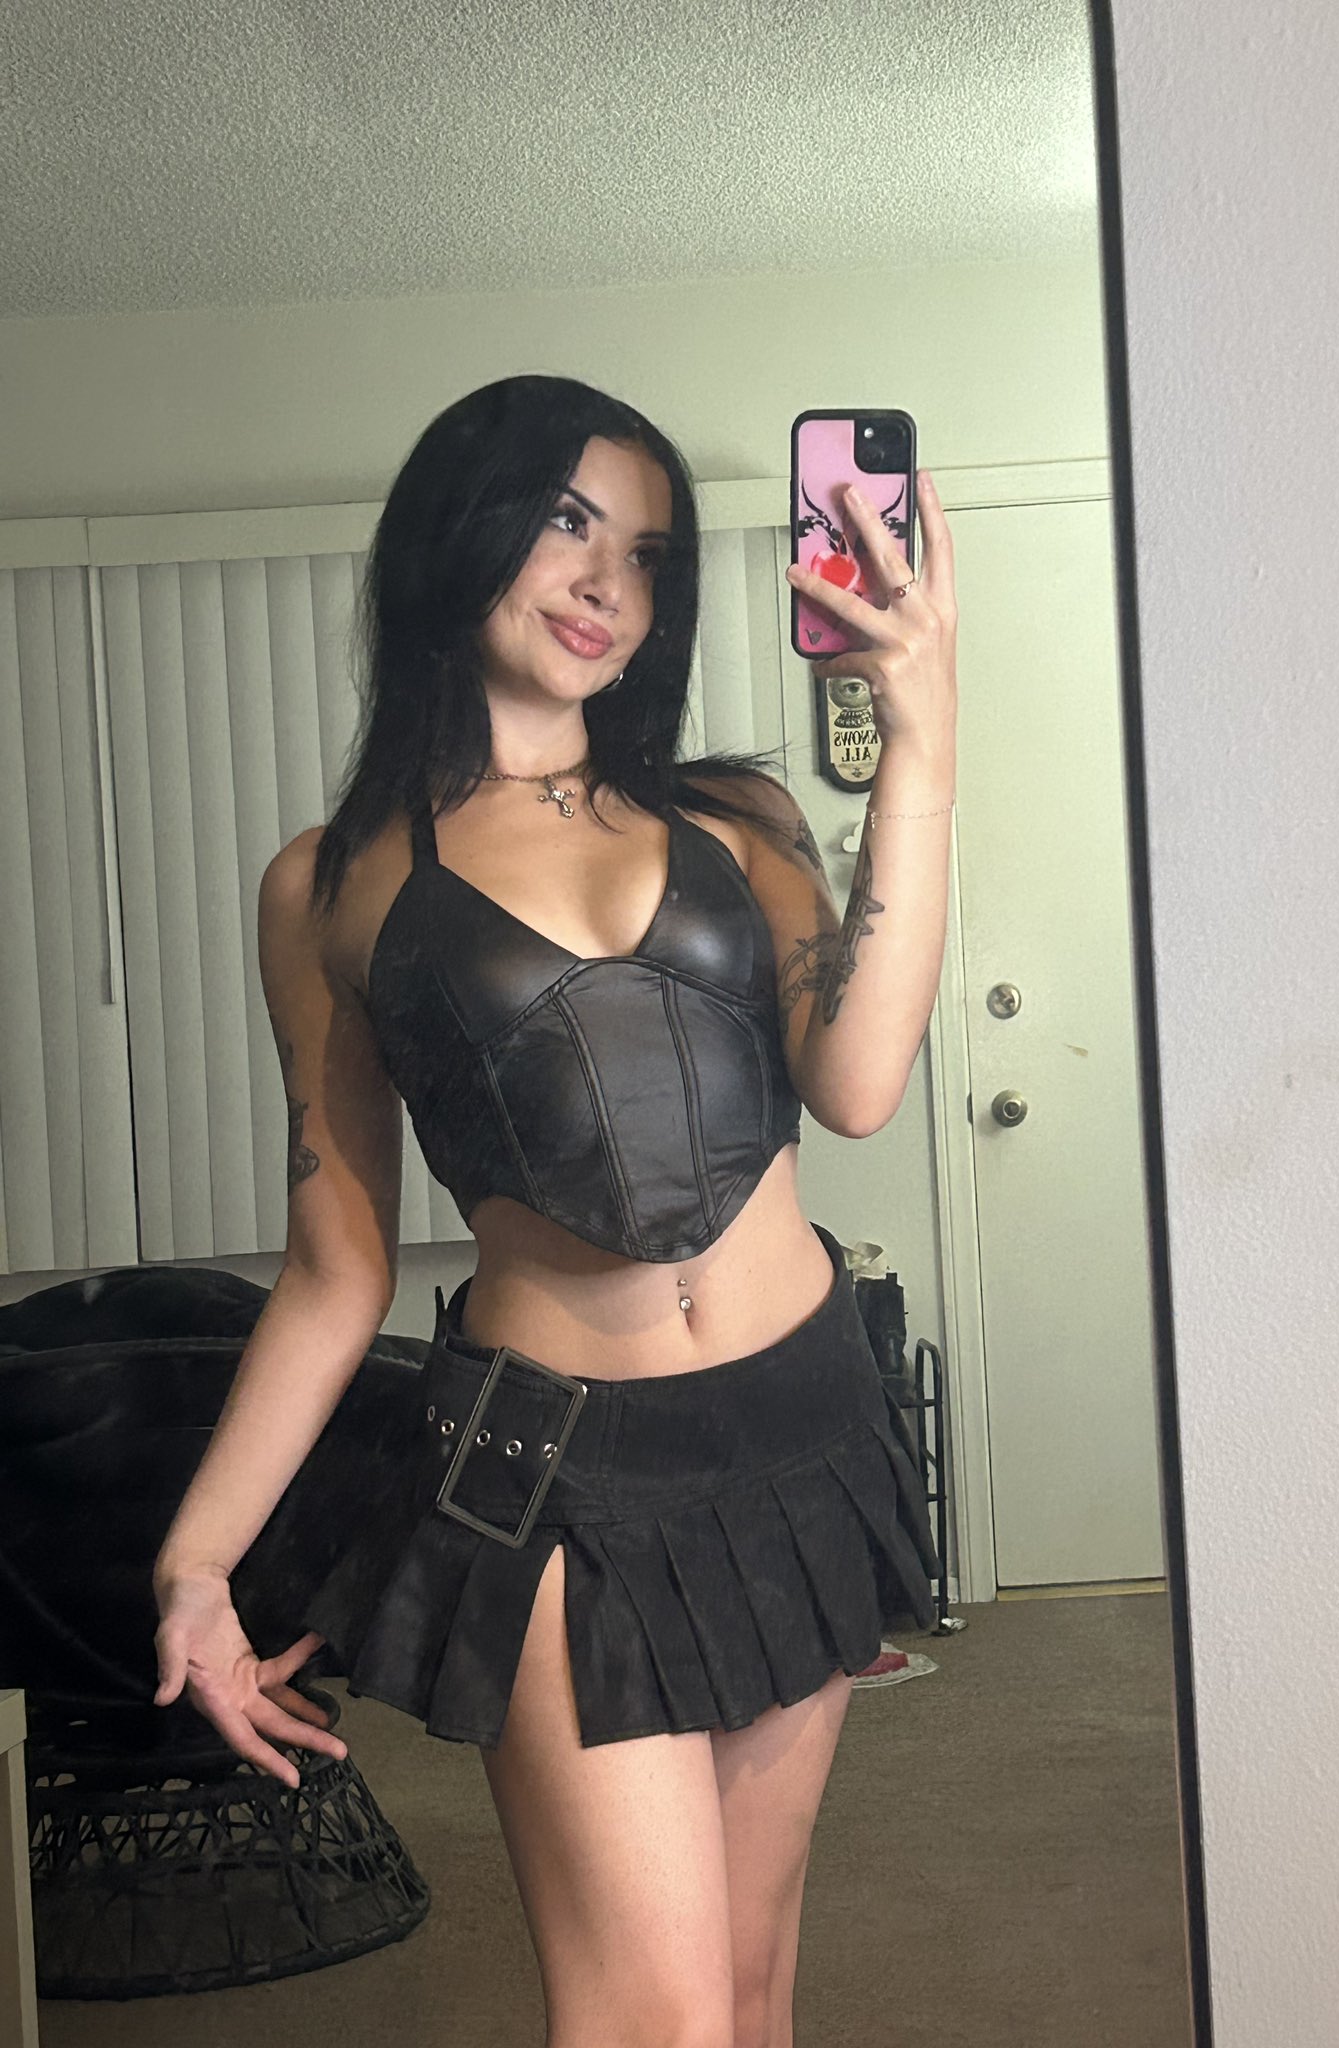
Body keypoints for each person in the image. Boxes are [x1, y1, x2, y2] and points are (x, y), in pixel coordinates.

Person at [151, 374, 958, 2048]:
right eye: (569, 523)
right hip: (558, 1478)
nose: (608, 584)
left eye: (648, 554)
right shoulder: (333, 882)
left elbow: (860, 1081)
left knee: (750, 1995)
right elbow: (335, 1268)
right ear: (462, 528)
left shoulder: (737, 818)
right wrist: (197, 1564)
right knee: (656, 2021)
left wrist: (922, 733)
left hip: (803, 1430)